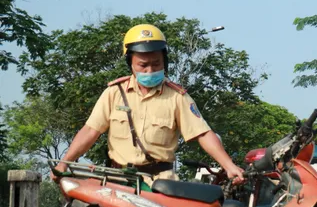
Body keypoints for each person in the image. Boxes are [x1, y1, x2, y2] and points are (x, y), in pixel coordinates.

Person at [51, 24, 244, 185]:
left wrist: (229, 166)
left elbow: (203, 133)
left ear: (165, 62)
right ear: (131, 64)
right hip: (117, 180)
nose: (150, 70)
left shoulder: (178, 97)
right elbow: (90, 131)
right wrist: (64, 163)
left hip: (161, 184)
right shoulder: (114, 93)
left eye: (157, 63)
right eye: (143, 65)